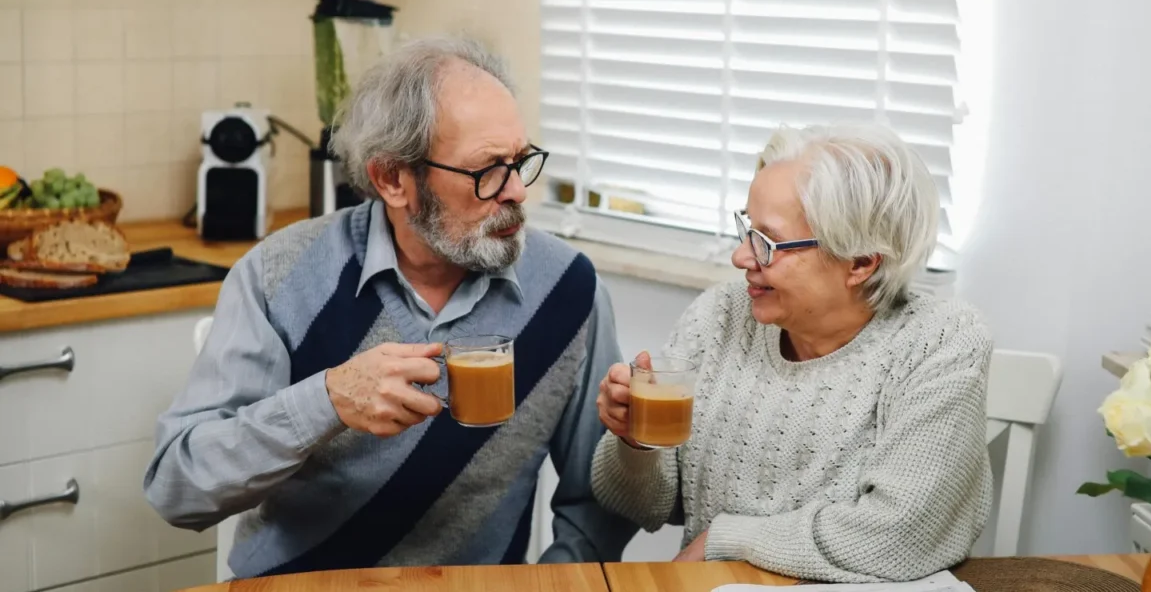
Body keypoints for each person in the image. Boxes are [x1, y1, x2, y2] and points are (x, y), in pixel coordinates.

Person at [143, 35, 637, 577]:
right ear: (393, 179)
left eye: (520, 161)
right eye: (488, 170)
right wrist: (326, 402)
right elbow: (178, 487)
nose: (517, 190)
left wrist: (552, 586)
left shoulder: (568, 291)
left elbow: (597, 502)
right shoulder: (278, 276)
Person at [591, 123, 994, 583]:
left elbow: (901, 535)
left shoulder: (941, 341)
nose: (741, 258)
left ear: (860, 262)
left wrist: (727, 539)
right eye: (746, 228)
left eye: (767, 242)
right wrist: (634, 442)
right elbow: (636, 504)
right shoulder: (719, 316)